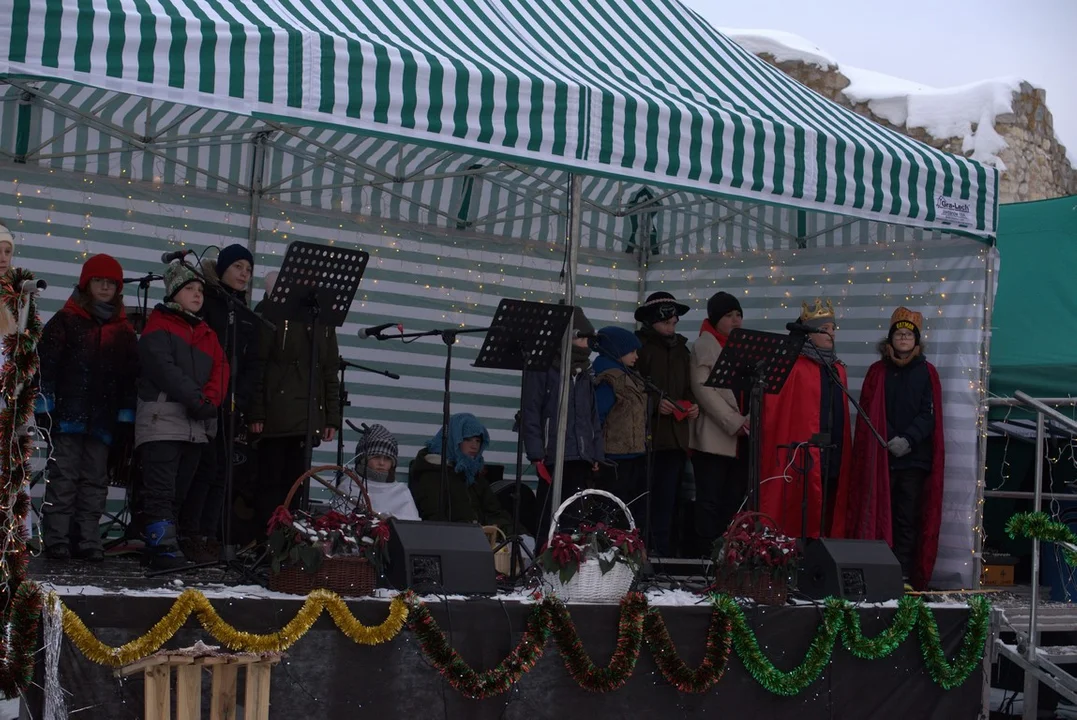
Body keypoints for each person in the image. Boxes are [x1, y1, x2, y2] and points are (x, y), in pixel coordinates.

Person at [37, 254, 138, 561]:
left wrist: (125, 419)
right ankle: (57, 537)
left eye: (111, 283)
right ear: (86, 283)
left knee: (95, 480)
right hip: (67, 417)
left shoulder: (123, 331)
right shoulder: (65, 320)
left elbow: (130, 380)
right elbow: (46, 368)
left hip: (103, 422)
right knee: (64, 477)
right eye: (99, 281)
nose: (105, 287)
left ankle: (88, 538)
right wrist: (45, 407)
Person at [134, 261, 228, 569]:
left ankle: (167, 545)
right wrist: (198, 399)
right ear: (174, 292)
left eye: (200, 289)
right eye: (189, 288)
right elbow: (165, 371)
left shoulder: (206, 332)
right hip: (163, 420)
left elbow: (221, 368)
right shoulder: (159, 325)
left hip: (195, 424)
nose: (197, 294)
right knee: (160, 489)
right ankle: (161, 549)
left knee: (179, 491)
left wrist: (211, 399)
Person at [846, 308, 945, 590]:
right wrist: (886, 438)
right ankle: (877, 571)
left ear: (917, 341)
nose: (903, 338)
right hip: (882, 457)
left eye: (908, 334)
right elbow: (870, 413)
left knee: (906, 516)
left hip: (914, 460)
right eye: (899, 334)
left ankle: (901, 574)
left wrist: (908, 439)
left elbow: (929, 415)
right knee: (879, 514)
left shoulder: (927, 373)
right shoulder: (877, 373)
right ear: (890, 340)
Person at [179, 244, 260, 562]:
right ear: (223, 268)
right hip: (204, 400)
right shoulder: (208, 304)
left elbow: (253, 363)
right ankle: (189, 530)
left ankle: (208, 534)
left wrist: (241, 398)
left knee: (222, 472)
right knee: (203, 467)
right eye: (238, 266)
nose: (244, 274)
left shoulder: (245, 312)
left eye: (249, 269)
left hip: (231, 404)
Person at [247, 263, 340, 540]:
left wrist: (331, 416)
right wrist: (256, 413)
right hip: (276, 415)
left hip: (308, 416)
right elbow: (258, 365)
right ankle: (265, 544)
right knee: (271, 485)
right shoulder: (271, 311)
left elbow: (329, 369)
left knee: (297, 486)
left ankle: (289, 545)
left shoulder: (321, 318)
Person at [759, 299, 852, 539]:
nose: (831, 334)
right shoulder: (794, 366)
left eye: (833, 328)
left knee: (829, 503)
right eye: (825, 329)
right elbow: (778, 412)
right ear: (809, 334)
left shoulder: (837, 368)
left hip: (832, 451)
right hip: (803, 454)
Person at [521, 306, 603, 540]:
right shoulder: (544, 367)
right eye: (583, 337)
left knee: (574, 515)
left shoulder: (586, 371)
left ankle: (567, 564)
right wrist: (536, 453)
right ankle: (542, 560)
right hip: (552, 453)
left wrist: (595, 453)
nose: (587, 343)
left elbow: (592, 416)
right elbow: (532, 410)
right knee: (548, 514)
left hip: (580, 454)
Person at [634, 292, 698, 556]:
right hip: (646, 441)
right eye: (666, 323)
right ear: (652, 321)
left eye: (674, 323)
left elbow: (688, 386)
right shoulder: (640, 347)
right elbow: (631, 388)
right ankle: (640, 553)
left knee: (669, 503)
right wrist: (652, 403)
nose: (671, 328)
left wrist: (692, 404)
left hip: (675, 440)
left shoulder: (683, 350)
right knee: (644, 502)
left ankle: (663, 554)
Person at [689, 291, 750, 555]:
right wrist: (733, 420)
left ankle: (729, 555)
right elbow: (702, 388)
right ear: (714, 319)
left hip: (741, 438)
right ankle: (705, 556)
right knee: (709, 501)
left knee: (734, 501)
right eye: (729, 315)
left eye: (738, 315)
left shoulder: (742, 346)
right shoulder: (706, 344)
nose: (736, 320)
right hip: (715, 437)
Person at [409, 413, 512, 533]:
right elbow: (434, 519)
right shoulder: (431, 474)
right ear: (453, 439)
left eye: (478, 440)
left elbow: (494, 512)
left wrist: (513, 533)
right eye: (467, 439)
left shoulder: (474, 474)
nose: (474, 446)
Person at [594, 326, 647, 517]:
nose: (636, 356)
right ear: (618, 351)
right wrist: (597, 454)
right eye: (632, 351)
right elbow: (598, 417)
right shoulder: (609, 379)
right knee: (612, 506)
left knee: (628, 505)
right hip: (614, 456)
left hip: (633, 454)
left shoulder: (629, 376)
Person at [333, 423, 419, 521]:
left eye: (387, 458)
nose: (381, 463)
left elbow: (410, 528)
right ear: (363, 459)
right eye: (376, 457)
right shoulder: (348, 487)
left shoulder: (402, 492)